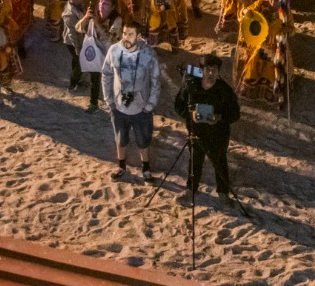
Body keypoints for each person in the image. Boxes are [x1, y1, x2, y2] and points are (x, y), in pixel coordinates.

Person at [175, 53, 242, 206]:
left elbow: (235, 114)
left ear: (219, 72)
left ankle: (223, 193)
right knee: (195, 161)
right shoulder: (191, 87)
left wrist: (219, 117)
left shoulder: (224, 91)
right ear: (202, 70)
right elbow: (178, 106)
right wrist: (190, 115)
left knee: (220, 161)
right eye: (208, 70)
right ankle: (191, 189)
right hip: (196, 132)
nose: (211, 73)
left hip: (218, 134)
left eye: (215, 70)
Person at [102, 21, 161, 182]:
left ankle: (146, 168)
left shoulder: (148, 54)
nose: (126, 37)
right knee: (120, 138)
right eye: (125, 33)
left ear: (139, 36)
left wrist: (150, 104)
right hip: (119, 106)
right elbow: (106, 74)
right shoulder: (114, 50)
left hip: (141, 108)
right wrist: (109, 99)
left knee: (143, 139)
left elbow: (156, 80)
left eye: (130, 34)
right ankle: (121, 166)